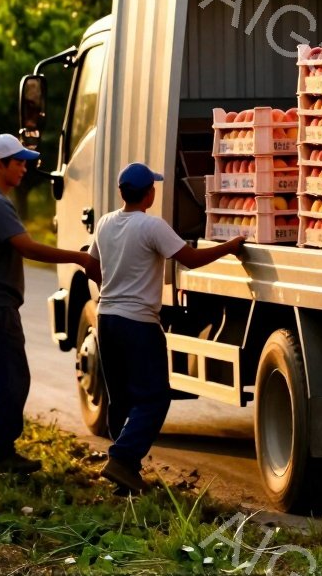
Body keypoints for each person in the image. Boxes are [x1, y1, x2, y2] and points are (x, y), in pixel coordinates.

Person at [0, 133, 100, 476]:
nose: (24, 169)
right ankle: (3, 453)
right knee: (14, 377)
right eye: (17, 163)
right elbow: (26, 247)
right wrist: (79, 257)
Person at [89, 162, 245, 494]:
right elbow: (190, 259)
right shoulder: (151, 227)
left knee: (121, 399)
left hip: (106, 318)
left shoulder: (104, 223)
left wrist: (113, 285)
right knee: (155, 397)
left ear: (121, 193)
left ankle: (125, 473)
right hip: (139, 324)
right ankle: (122, 457)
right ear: (149, 193)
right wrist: (230, 248)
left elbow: (92, 265)